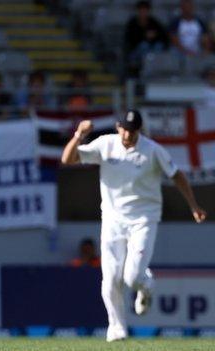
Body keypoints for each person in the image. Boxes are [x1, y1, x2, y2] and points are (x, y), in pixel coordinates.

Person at [61, 110, 207, 342]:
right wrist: (79, 134)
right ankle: (117, 329)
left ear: (140, 130)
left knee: (132, 278)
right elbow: (68, 159)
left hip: (144, 219)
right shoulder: (105, 144)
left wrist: (193, 205)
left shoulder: (153, 150)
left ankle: (146, 284)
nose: (128, 134)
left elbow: (177, 175)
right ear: (118, 127)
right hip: (112, 219)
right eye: (124, 129)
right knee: (110, 280)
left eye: (133, 130)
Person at [124, 0, 168, 77]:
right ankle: (145, 71)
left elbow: (163, 36)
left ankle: (155, 71)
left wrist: (154, 36)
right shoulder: (132, 23)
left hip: (152, 50)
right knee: (144, 46)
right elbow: (130, 40)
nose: (143, 13)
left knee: (158, 46)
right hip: (136, 51)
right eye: (141, 10)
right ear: (138, 11)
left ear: (148, 11)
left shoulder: (154, 22)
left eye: (145, 10)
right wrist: (144, 36)